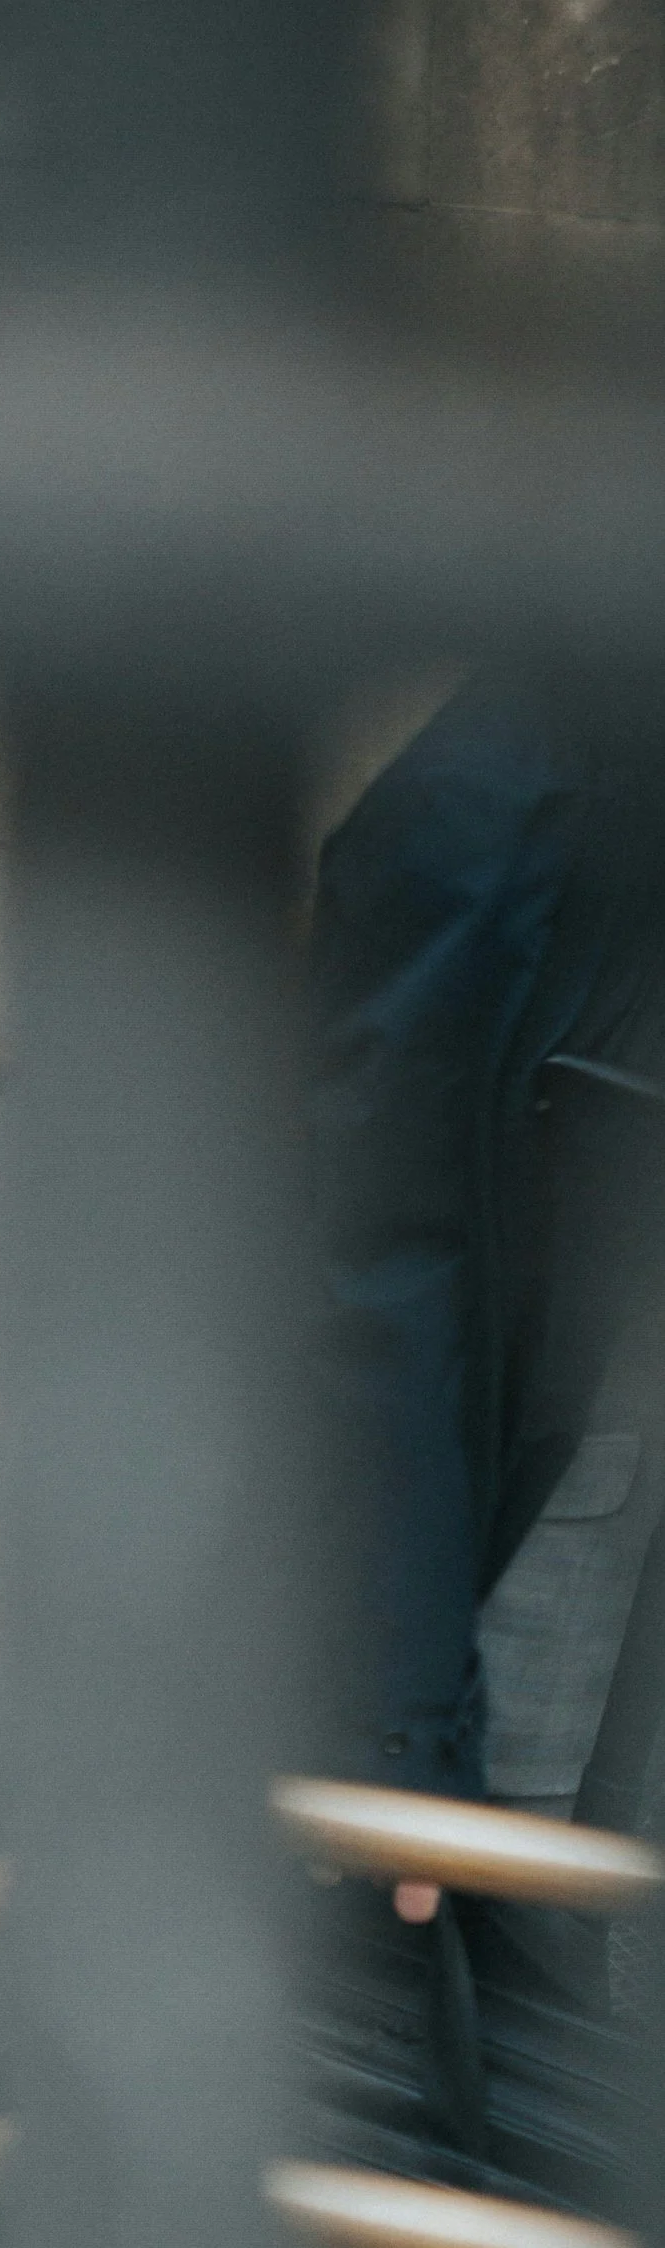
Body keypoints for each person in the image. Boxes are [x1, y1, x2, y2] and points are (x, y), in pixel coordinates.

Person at [312, 678, 665, 1919]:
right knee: (491, 1900)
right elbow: (376, 1255)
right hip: (561, 1438)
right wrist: (398, 1718)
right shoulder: (491, 791)